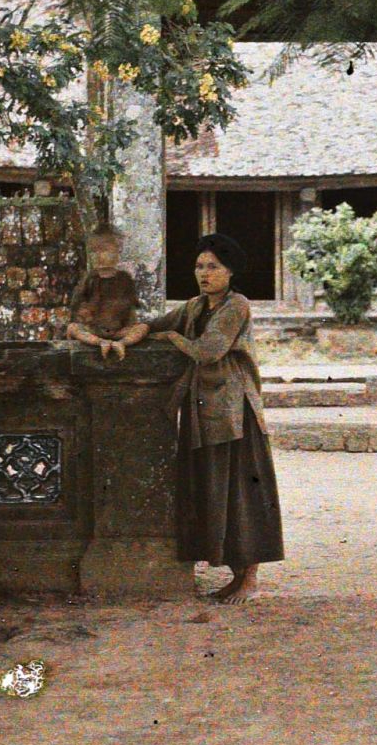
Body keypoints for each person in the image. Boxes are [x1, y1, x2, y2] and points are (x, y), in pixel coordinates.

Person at [139, 232, 284, 603]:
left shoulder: (237, 306)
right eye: (199, 266)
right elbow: (157, 323)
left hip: (234, 411)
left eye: (213, 267)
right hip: (203, 409)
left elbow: (208, 351)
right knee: (211, 487)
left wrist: (171, 338)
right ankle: (231, 570)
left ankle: (249, 577)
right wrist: (132, 333)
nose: (204, 273)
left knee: (240, 491)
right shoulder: (194, 307)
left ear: (230, 272)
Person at [64, 223, 150, 360]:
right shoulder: (90, 279)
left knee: (143, 328)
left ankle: (121, 344)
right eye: (93, 251)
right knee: (73, 328)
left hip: (118, 331)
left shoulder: (124, 279)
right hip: (94, 331)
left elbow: (131, 310)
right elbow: (77, 306)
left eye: (104, 250)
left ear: (117, 252)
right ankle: (101, 343)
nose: (98, 256)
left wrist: (128, 328)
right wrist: (84, 313)